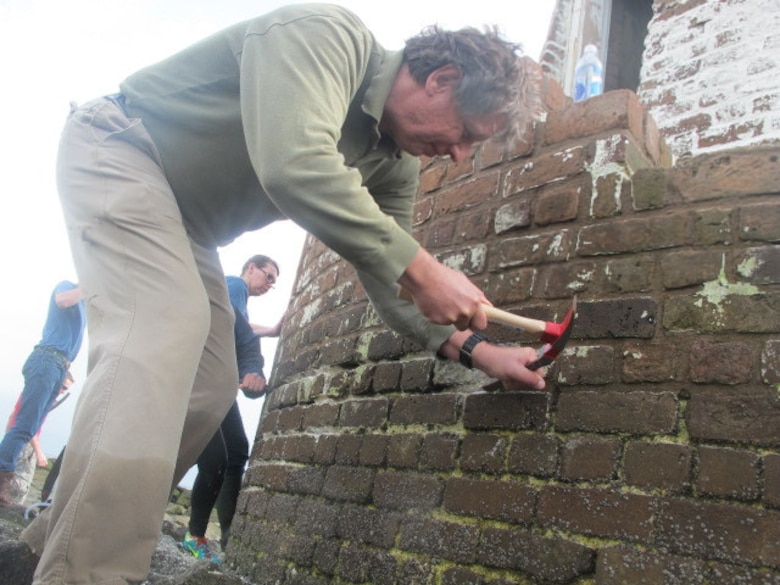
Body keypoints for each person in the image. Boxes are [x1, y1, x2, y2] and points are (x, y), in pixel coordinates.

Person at [19, 5, 546, 584]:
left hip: (186, 225)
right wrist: (423, 268)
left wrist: (479, 351)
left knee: (209, 380)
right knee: (165, 327)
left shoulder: (393, 167)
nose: (460, 155)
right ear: (440, 79)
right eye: (467, 134)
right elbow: (295, 163)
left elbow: (390, 281)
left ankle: (53, 543)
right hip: (122, 148)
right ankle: (86, 573)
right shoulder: (326, 36)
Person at [181, 255, 281, 562]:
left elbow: (241, 329)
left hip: (219, 384)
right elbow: (236, 323)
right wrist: (254, 365)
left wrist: (266, 340)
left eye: (274, 283)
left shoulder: (238, 299)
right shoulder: (234, 284)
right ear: (251, 268)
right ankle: (196, 535)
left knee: (237, 449)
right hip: (201, 382)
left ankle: (226, 535)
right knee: (215, 459)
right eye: (268, 276)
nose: (269, 285)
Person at [0, 281, 84, 510]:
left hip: (59, 365)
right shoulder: (69, 287)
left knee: (31, 426)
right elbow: (63, 300)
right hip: (48, 358)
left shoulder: (85, 304)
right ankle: (1, 481)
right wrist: (91, 282)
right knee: (25, 425)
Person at [5, 372, 74, 506]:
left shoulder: (33, 391)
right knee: (20, 485)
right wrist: (39, 453)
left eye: (66, 390)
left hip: (16, 439)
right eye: (63, 387)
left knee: (8, 478)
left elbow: (13, 416)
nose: (62, 392)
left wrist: (9, 438)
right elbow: (30, 425)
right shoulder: (43, 396)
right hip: (25, 442)